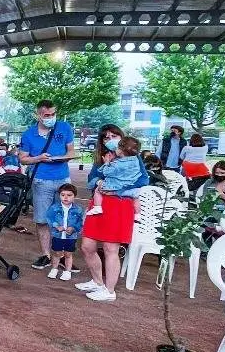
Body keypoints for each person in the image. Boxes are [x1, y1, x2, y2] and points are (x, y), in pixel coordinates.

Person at [80, 124, 148, 302]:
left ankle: (109, 290)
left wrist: (117, 190)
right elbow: (91, 181)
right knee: (87, 246)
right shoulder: (103, 158)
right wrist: (100, 181)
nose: (110, 139)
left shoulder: (134, 158)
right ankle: (97, 282)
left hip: (119, 205)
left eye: (114, 136)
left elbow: (143, 180)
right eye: (106, 137)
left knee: (111, 248)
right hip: (99, 203)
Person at [18, 100, 75, 270]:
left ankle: (64, 256)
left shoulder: (64, 127)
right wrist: (39, 158)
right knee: (42, 220)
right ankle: (46, 255)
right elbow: (23, 158)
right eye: (47, 115)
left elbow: (71, 151)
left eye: (53, 114)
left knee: (65, 217)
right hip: (41, 180)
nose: (51, 118)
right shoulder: (29, 134)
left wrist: (65, 157)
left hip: (63, 179)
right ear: (39, 115)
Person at [86, 136, 143, 216]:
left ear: (120, 151)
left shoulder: (117, 164)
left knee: (97, 191)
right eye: (106, 138)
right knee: (136, 198)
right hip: (131, 187)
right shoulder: (135, 160)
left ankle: (97, 207)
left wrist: (107, 163)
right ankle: (137, 215)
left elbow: (106, 172)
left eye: (114, 136)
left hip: (114, 187)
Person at [44, 183, 84, 281]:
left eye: (69, 195)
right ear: (59, 195)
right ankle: (54, 269)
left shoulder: (78, 209)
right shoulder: (54, 208)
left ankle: (67, 271)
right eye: (63, 195)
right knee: (56, 253)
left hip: (71, 237)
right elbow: (49, 218)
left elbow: (81, 222)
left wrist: (74, 228)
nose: (65, 197)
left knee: (68, 254)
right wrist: (56, 226)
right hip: (57, 235)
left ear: (74, 196)